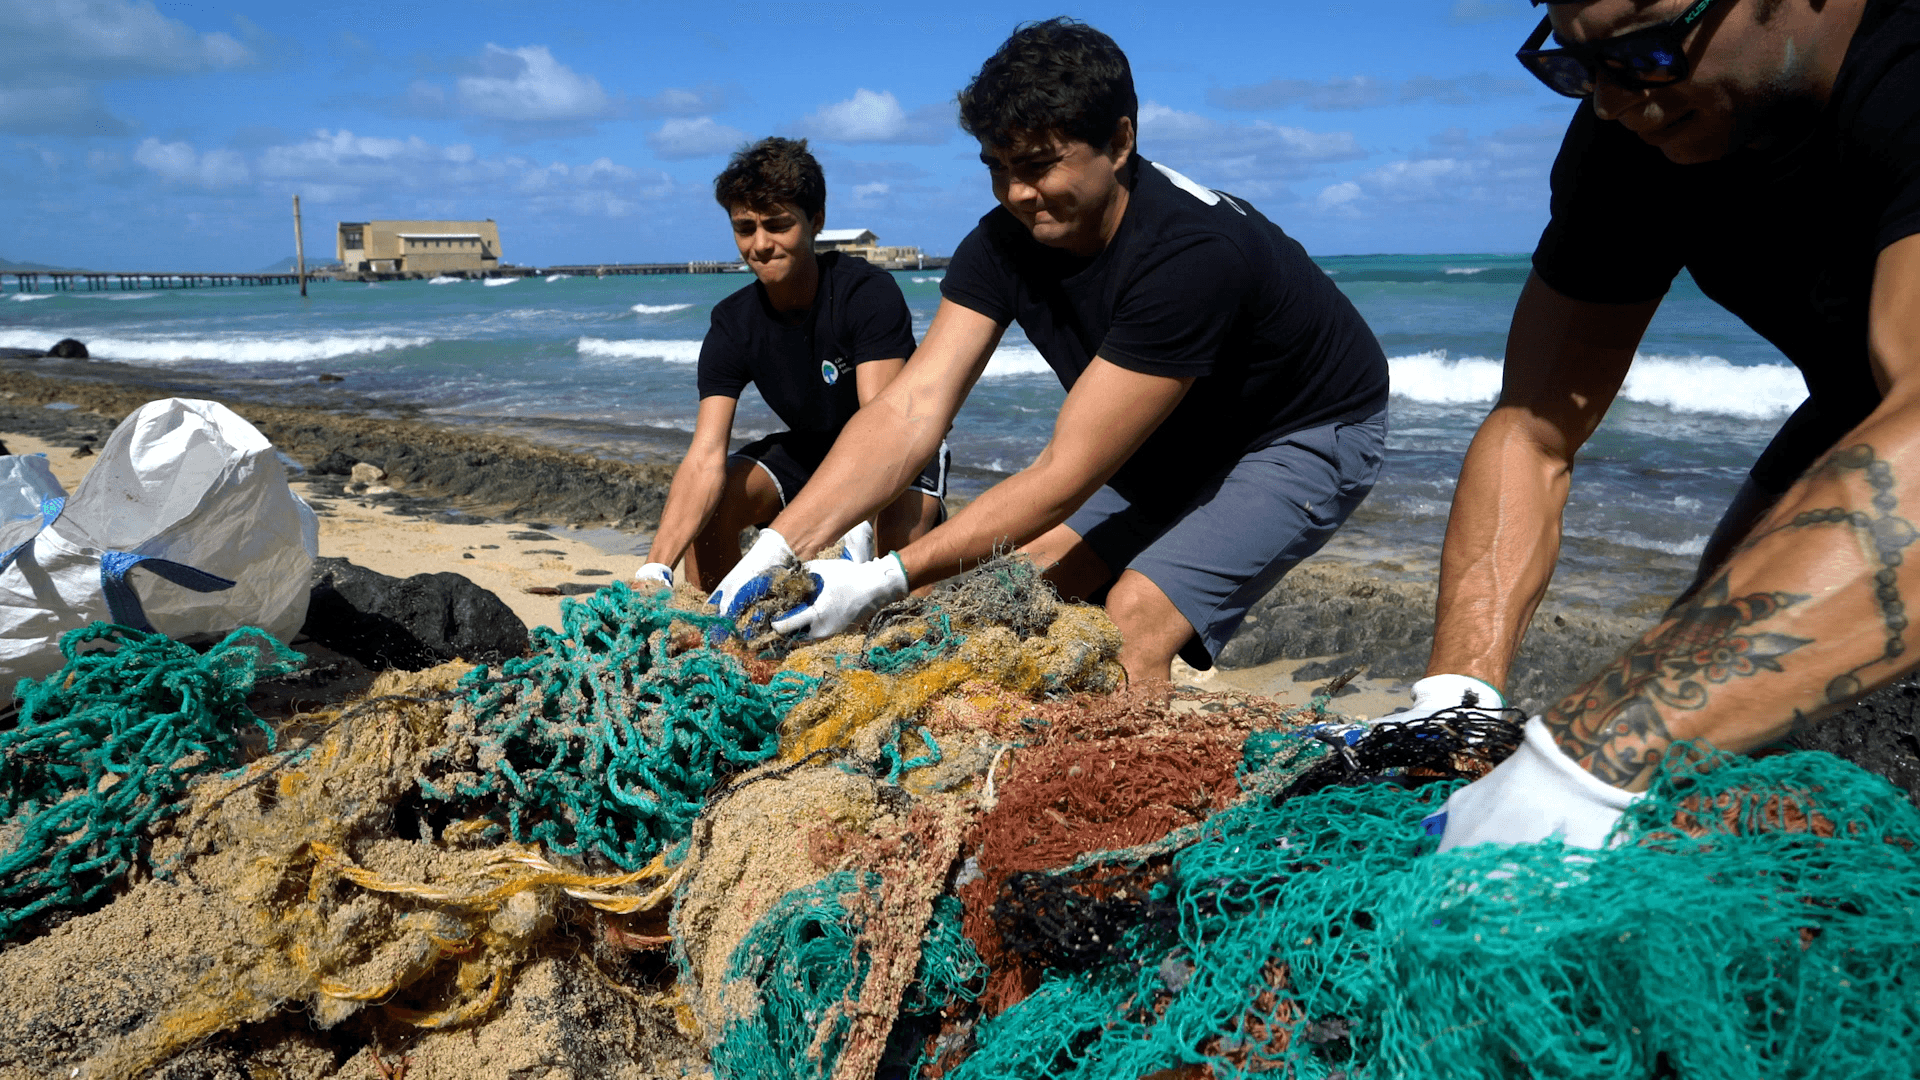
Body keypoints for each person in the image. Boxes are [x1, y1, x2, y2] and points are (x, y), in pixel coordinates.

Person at [706, 18, 1390, 686]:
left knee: (1132, 617)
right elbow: (910, 410)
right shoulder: (1002, 241)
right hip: (1173, 431)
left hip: (1301, 427)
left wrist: (886, 577)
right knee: (1016, 593)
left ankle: (1125, 793)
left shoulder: (1188, 255)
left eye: (1037, 166)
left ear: (1119, 142)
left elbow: (1066, 472)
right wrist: (772, 554)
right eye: (997, 168)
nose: (1016, 194)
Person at [1408, 0, 1920, 849]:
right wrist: (1455, 696)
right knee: (1702, 660)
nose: (1610, 98)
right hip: (1852, 408)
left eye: (1648, 48)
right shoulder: (1630, 133)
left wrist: (1590, 751)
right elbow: (1535, 432)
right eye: (1575, 66)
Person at [635, 137, 947, 591]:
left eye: (778, 225)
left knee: (892, 545)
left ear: (815, 220)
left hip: (901, 440)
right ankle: (715, 636)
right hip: (812, 447)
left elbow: (885, 428)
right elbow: (704, 457)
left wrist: (850, 521)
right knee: (715, 503)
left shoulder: (866, 294)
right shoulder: (732, 323)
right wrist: (654, 567)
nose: (760, 245)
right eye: (744, 228)